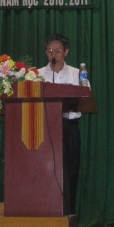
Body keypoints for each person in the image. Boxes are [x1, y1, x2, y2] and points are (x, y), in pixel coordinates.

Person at [38, 33, 90, 214]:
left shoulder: (77, 73)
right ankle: (45, 211)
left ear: (66, 52)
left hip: (69, 127)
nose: (53, 54)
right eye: (49, 51)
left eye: (58, 50)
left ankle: (68, 212)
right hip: (44, 130)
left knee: (70, 170)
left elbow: (86, 97)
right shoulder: (37, 74)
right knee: (44, 170)